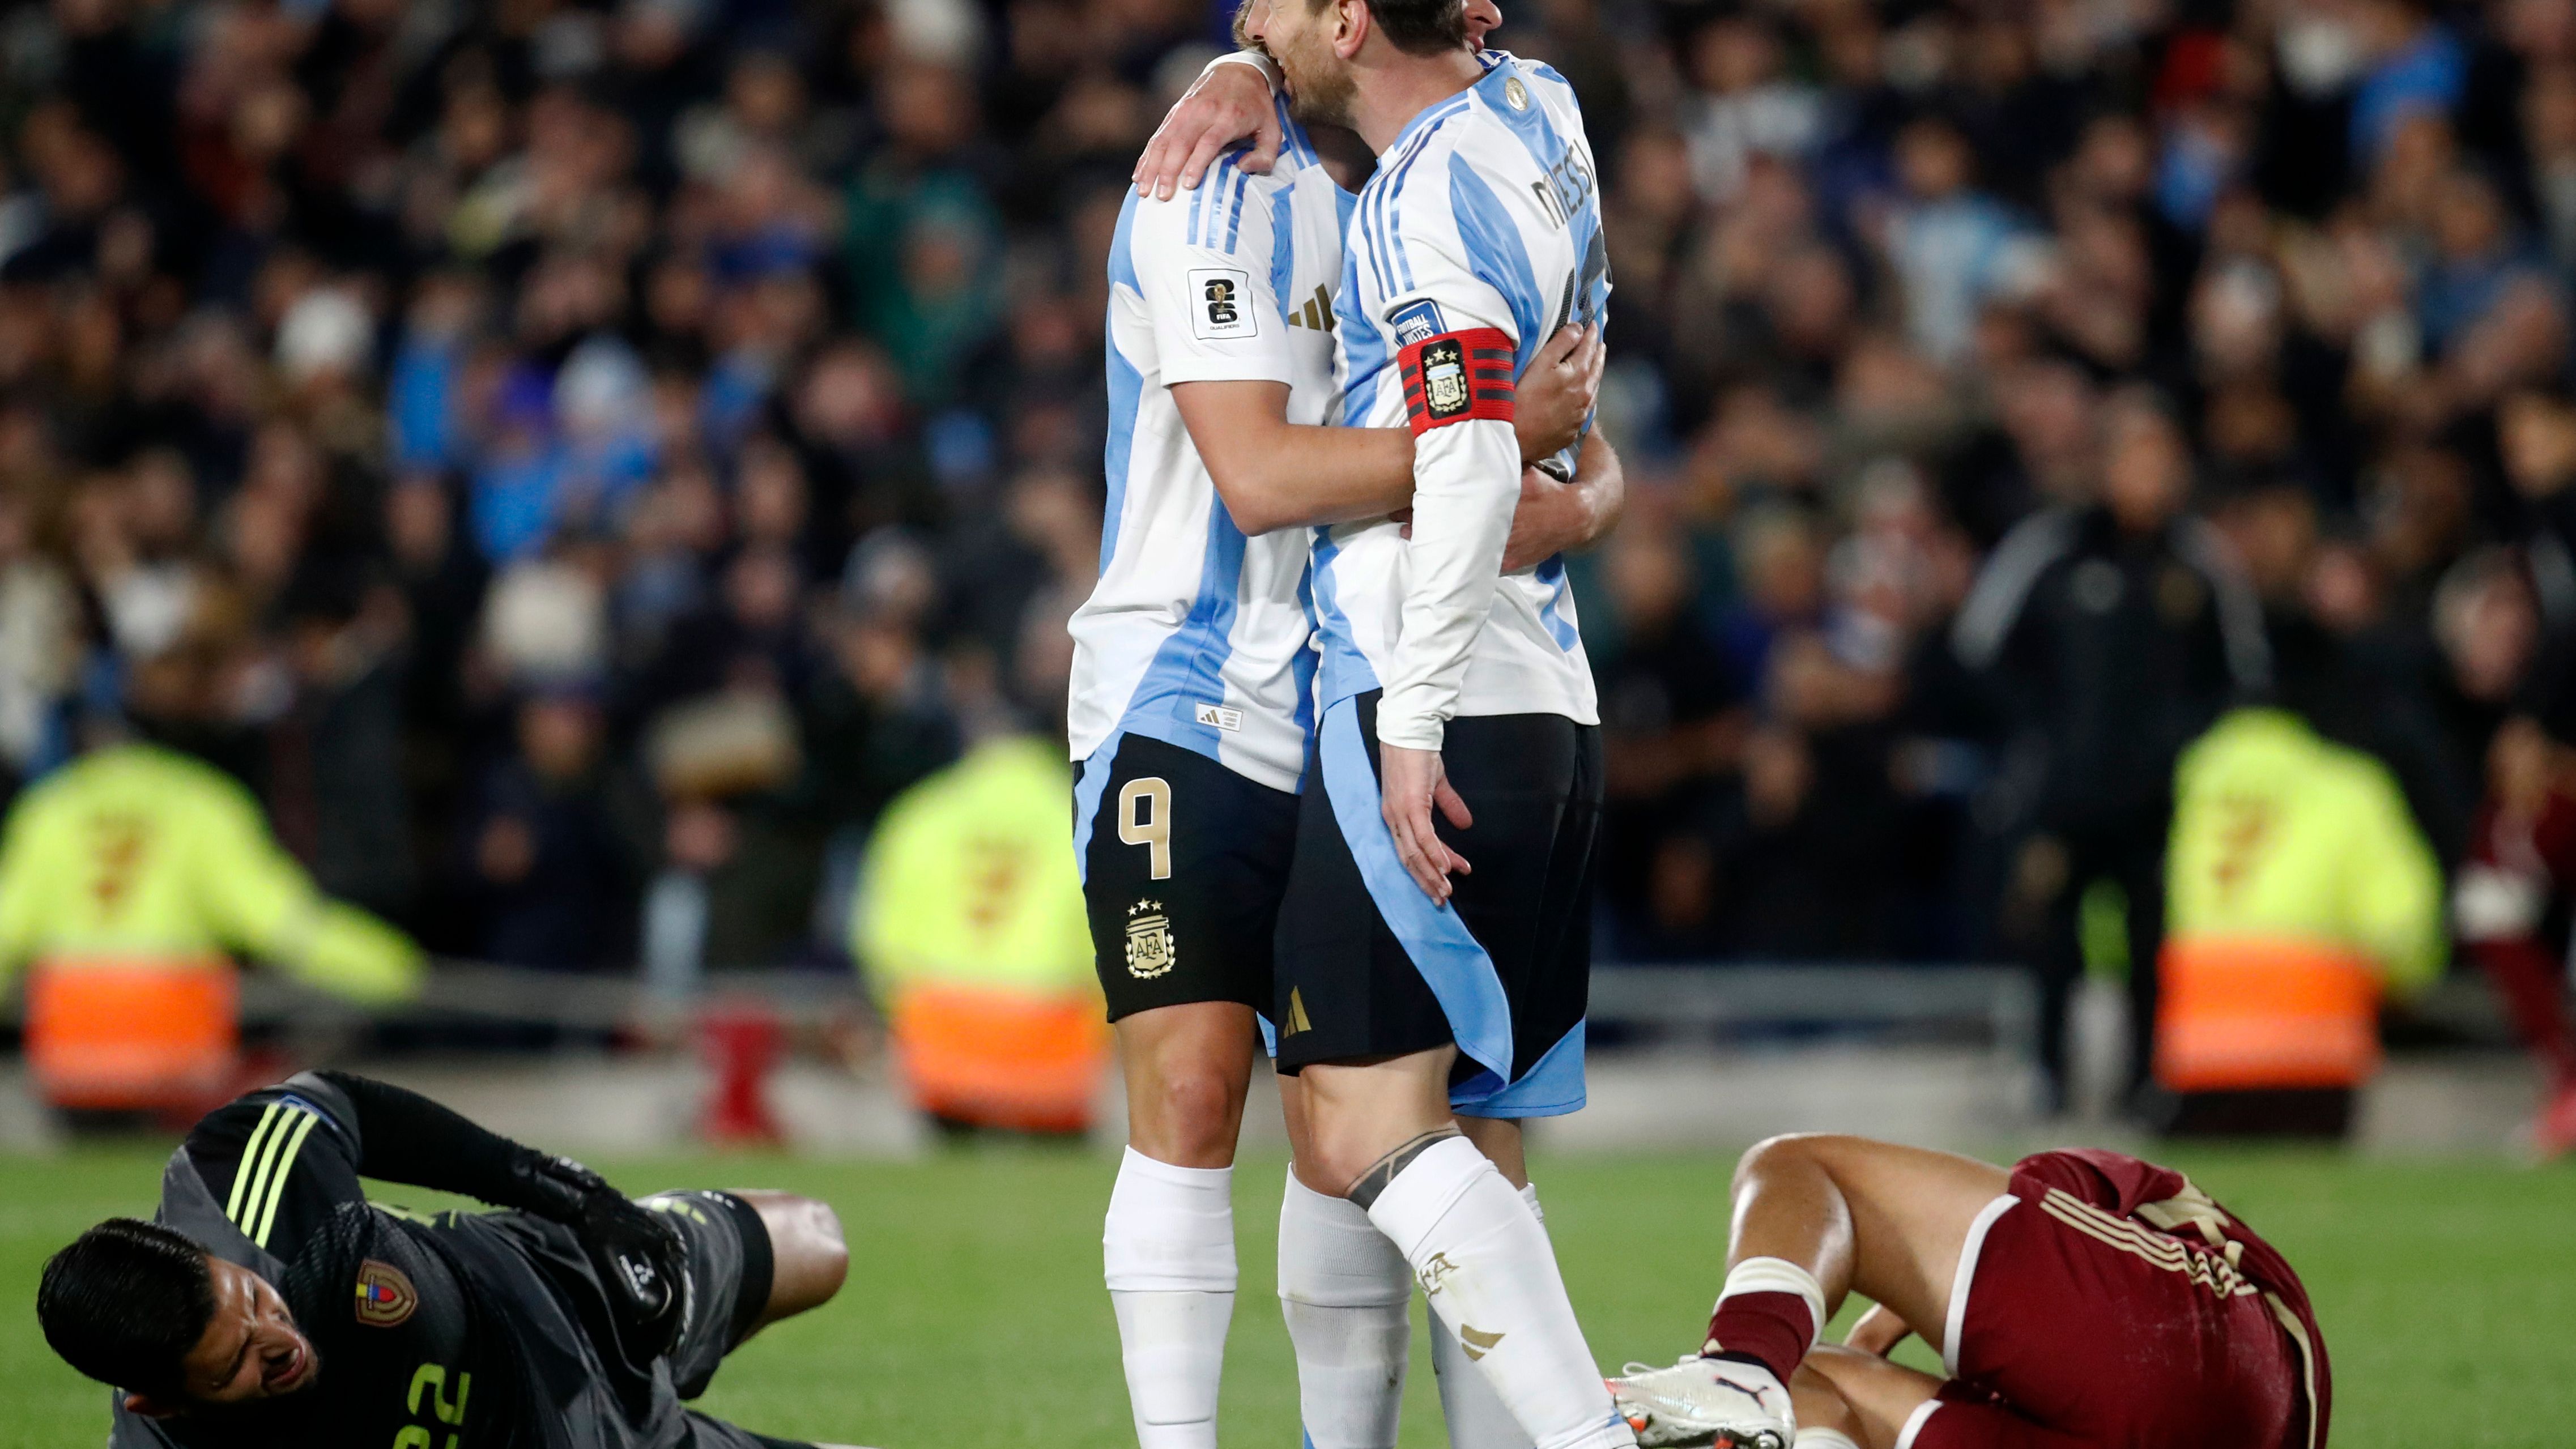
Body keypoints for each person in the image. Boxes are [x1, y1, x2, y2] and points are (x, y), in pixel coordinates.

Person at [1078, 8, 1620, 1448]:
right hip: (1187, 696)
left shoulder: (1391, 183)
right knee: (1201, 1090)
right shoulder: (1205, 194)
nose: (1242, 24)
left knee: (1362, 1125)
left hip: (1365, 684)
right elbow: (1253, 476)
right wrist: (1497, 452)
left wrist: (1544, 476)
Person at [37, 1069, 862, 1449]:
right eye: (235, 1365)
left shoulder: (245, 1185)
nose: (275, 1339)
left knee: (819, 1239)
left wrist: (570, 1194)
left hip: (554, 1286)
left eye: (251, 1299)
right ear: (160, 1404)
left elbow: (350, 1107)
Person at [1949, 387, 2270, 1114]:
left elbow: (2241, 676)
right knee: (2048, 939)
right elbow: (1978, 655)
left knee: (2152, 938)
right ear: (2103, 464)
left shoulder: (2199, 562)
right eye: (2135, 456)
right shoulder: (2048, 550)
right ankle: (2048, 1078)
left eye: (2161, 457)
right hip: (2061, 794)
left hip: (2160, 799)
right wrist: (2042, 736)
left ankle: (2147, 1082)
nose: (2149, 474)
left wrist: (2175, 743)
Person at [1607, 1135, 2328, 1449]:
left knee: (1796, 1167)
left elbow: (2044, 1190)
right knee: (1800, 1384)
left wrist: (1871, 1320)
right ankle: (1750, 1380)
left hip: (2216, 1360)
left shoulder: (2079, 1191)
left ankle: (1736, 1369)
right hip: (2251, 1407)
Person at [0, 628, 424, 1120]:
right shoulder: (202, 800)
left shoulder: (50, 807)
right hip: (174, 1050)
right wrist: (396, 970)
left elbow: (6, 931)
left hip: (71, 1055)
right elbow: (279, 923)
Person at [2152, 704, 2445, 1137]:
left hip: (2199, 1053)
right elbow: (2402, 921)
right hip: (2315, 1050)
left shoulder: (2195, 781)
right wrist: (2406, 983)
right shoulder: (2351, 785)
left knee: (2206, 1197)